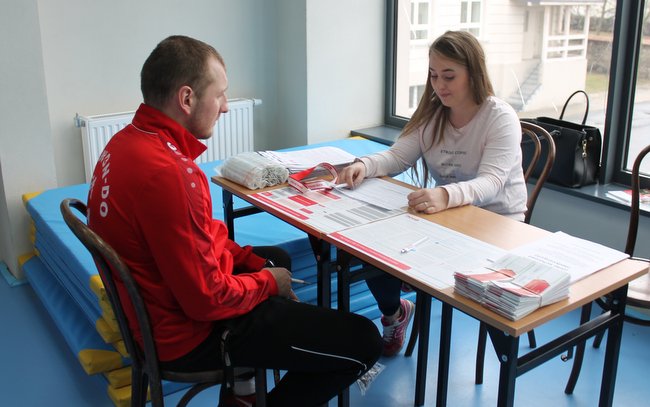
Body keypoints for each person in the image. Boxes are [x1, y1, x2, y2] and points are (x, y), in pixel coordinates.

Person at [87, 35, 382, 407]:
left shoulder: (126, 144)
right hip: (189, 336)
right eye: (221, 95)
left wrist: (259, 267)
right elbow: (206, 301)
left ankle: (242, 395)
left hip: (155, 309)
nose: (225, 107)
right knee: (363, 341)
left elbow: (201, 237)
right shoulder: (172, 174)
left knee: (275, 257)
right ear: (187, 98)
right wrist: (266, 283)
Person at [337, 30, 527, 357]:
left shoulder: (500, 118)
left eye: (449, 76)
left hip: (498, 225)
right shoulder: (432, 114)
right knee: (360, 245)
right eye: (434, 75)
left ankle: (509, 361)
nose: (440, 85)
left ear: (474, 73)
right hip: (446, 219)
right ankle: (395, 313)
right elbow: (398, 156)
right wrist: (364, 165)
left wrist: (444, 195)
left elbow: (492, 182)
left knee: (485, 298)